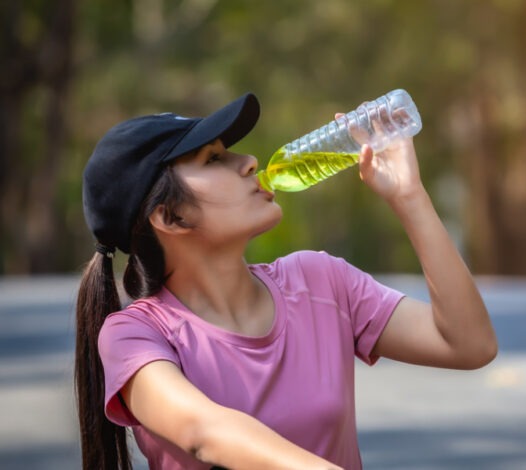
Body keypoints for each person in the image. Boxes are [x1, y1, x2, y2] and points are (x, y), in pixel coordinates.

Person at [75, 92, 497, 470]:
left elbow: (469, 344)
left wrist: (409, 197)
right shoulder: (135, 335)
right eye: (213, 159)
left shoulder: (320, 282)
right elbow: (205, 432)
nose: (249, 161)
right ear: (169, 216)